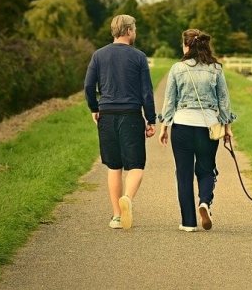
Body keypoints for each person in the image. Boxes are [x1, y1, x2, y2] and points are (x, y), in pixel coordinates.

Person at [158, 29, 236, 232]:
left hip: (182, 125)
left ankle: (188, 222)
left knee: (184, 174)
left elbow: (169, 101)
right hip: (210, 126)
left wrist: (164, 127)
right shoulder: (216, 69)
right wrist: (227, 128)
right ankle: (205, 202)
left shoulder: (177, 68)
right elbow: (224, 102)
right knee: (206, 169)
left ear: (186, 46)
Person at [84, 14, 156, 230]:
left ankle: (116, 216)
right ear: (128, 31)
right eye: (134, 29)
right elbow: (146, 92)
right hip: (131, 115)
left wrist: (94, 108)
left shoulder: (98, 55)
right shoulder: (139, 57)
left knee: (114, 166)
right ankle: (127, 198)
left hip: (106, 114)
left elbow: (89, 86)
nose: (135, 33)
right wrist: (150, 119)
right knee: (135, 166)